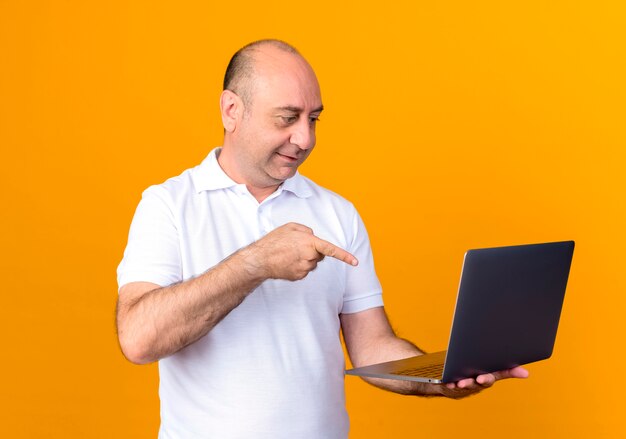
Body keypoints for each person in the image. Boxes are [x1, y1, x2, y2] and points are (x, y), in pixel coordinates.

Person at [116, 39, 528, 439]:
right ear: (231, 110)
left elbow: (372, 347)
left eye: (313, 119)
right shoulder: (168, 205)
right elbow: (138, 339)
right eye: (286, 118)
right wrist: (256, 263)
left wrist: (444, 377)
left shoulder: (337, 213)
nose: (305, 139)